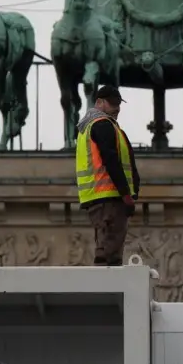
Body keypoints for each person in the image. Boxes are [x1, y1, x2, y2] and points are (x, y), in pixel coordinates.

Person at [74, 85, 141, 265]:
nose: (117, 108)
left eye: (118, 104)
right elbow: (111, 160)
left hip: (100, 198)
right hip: (109, 197)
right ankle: (109, 291)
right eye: (112, 104)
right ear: (99, 102)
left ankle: (106, 288)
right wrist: (126, 194)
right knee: (110, 254)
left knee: (105, 248)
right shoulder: (102, 125)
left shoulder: (89, 127)